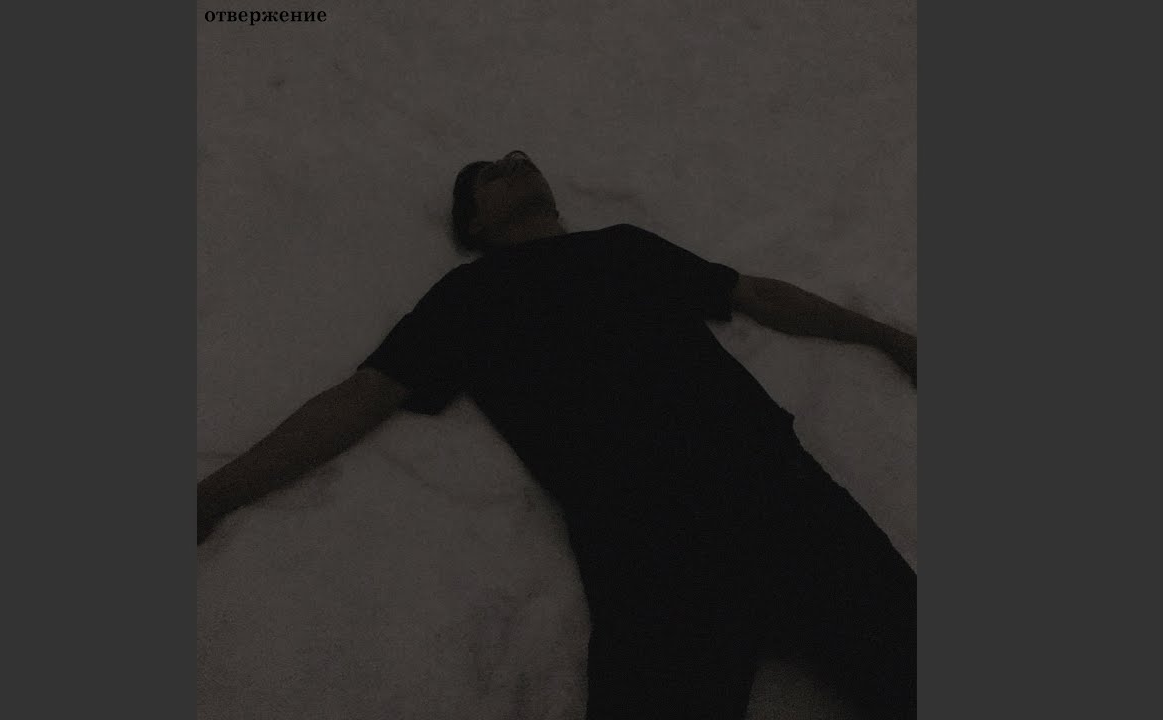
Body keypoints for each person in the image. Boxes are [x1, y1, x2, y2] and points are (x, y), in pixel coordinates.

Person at [197, 150, 918, 720]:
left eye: (521, 157)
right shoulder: (466, 299)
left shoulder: (624, 248)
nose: (517, 163)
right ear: (473, 226)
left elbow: (755, 293)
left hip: (775, 492)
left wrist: (887, 337)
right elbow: (360, 399)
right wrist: (217, 494)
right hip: (650, 545)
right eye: (493, 172)